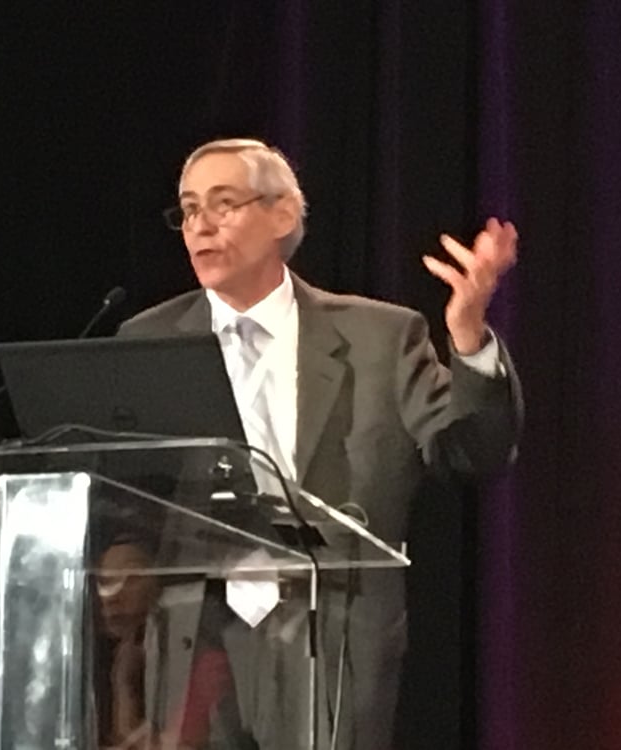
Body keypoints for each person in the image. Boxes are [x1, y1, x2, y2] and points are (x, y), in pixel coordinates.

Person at [118, 138, 523, 749]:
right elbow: (124, 491)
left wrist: (468, 338)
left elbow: (473, 451)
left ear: (282, 214)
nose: (200, 225)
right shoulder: (146, 341)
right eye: (190, 209)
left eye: (223, 204)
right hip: (195, 642)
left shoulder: (381, 336)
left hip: (332, 639)